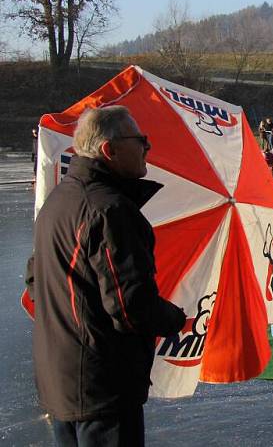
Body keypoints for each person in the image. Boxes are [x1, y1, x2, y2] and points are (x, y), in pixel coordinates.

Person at [25, 106, 186, 447]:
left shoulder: (59, 200)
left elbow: (35, 282)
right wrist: (175, 318)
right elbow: (130, 308)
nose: (147, 147)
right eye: (140, 140)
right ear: (109, 150)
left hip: (62, 381)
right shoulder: (109, 210)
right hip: (101, 386)